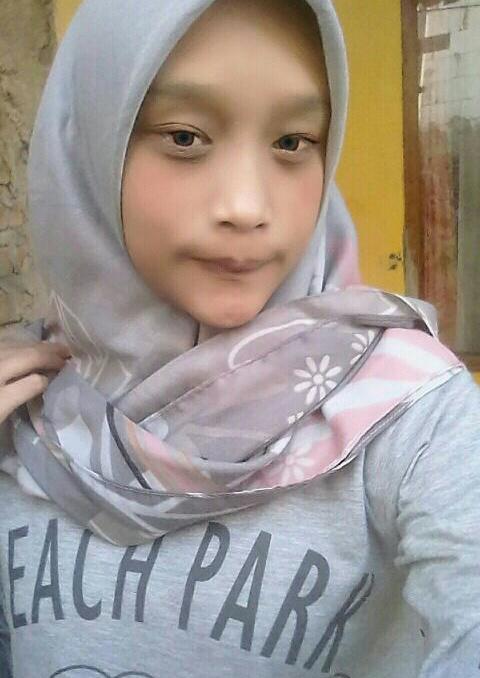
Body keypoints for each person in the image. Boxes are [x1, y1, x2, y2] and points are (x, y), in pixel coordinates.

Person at [0, 0, 479, 676]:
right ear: (89, 145)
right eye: (184, 137)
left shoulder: (406, 409)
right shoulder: (23, 403)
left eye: (292, 142)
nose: (247, 207)